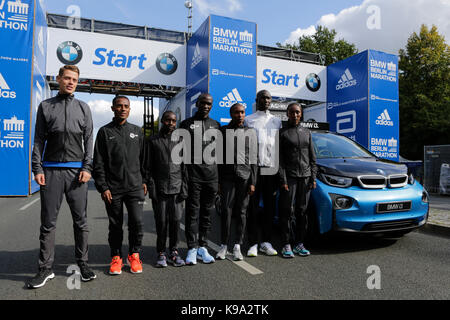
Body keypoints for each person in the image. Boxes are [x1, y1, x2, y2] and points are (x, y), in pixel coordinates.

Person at [28, 65, 95, 288]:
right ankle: (45, 269)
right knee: (48, 223)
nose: (70, 82)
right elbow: (38, 139)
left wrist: (87, 167)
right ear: (58, 79)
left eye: (74, 79)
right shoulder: (46, 106)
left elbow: (89, 141)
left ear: (77, 82)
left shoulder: (84, 108)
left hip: (77, 173)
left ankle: (83, 263)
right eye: (66, 78)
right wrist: (36, 168)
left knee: (81, 222)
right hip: (50, 171)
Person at [93, 95, 147, 275]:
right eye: (119, 106)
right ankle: (116, 257)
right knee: (115, 225)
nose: (123, 108)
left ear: (129, 109)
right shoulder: (104, 132)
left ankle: (134, 255)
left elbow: (144, 160)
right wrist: (103, 186)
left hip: (134, 187)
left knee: (137, 223)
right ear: (113, 108)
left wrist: (145, 180)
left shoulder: (137, 131)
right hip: (113, 189)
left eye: (126, 106)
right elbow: (98, 162)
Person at [180, 93, 220, 265]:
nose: (205, 106)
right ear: (197, 103)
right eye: (203, 103)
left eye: (209, 103)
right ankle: (191, 248)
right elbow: (179, 154)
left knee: (206, 214)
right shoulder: (186, 125)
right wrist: (183, 178)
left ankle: (203, 246)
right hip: (193, 177)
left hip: (211, 178)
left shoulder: (215, 125)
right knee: (192, 214)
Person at [216, 103, 257, 261]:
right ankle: (223, 246)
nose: (240, 115)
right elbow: (218, 157)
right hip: (227, 178)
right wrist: (219, 181)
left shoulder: (250, 132)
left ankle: (237, 246)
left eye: (242, 112)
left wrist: (253, 181)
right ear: (231, 114)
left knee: (241, 212)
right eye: (236, 112)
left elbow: (254, 159)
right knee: (226, 211)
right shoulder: (223, 131)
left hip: (245, 178)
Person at [146, 111, 187, 268]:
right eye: (168, 120)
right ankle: (161, 252)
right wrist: (152, 188)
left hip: (177, 188)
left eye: (174, 121)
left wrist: (184, 188)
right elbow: (147, 168)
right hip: (160, 189)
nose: (171, 123)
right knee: (161, 222)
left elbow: (185, 167)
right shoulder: (152, 141)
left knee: (175, 222)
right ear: (162, 121)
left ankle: (174, 252)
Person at [244, 90, 281, 257]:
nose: (266, 100)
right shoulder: (248, 120)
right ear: (256, 100)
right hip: (254, 169)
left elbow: (279, 149)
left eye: (268, 98)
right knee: (252, 208)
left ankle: (266, 242)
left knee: (269, 208)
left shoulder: (277, 121)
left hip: (271, 169)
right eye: (263, 98)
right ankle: (252, 243)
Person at [278, 102, 317, 258]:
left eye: (298, 112)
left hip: (305, 178)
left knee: (302, 212)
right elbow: (279, 160)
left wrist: (312, 177)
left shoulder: (306, 132)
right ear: (287, 114)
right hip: (290, 178)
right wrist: (283, 180)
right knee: (286, 212)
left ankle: (299, 244)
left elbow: (312, 158)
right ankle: (285, 244)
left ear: (301, 114)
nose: (295, 115)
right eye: (292, 112)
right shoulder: (282, 133)